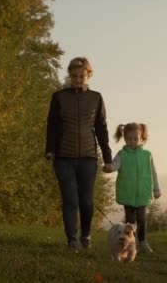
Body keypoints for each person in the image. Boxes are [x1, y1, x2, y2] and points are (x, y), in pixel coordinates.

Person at [45, 57, 112, 250]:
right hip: (63, 157)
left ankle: (86, 235)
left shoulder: (96, 98)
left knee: (86, 201)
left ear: (88, 75)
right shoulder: (59, 97)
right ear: (70, 75)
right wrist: (50, 150)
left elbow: (101, 128)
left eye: (81, 75)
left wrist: (107, 158)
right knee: (70, 200)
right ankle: (72, 241)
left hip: (88, 158)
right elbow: (52, 126)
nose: (77, 78)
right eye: (74, 75)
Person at [103, 122, 161, 253]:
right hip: (127, 192)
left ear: (142, 138)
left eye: (135, 138)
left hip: (143, 192)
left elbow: (153, 172)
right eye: (129, 139)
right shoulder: (122, 154)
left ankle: (143, 242)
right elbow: (115, 165)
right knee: (130, 221)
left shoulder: (147, 155)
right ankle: (130, 244)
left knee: (141, 219)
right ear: (124, 138)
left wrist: (156, 189)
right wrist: (109, 168)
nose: (132, 141)